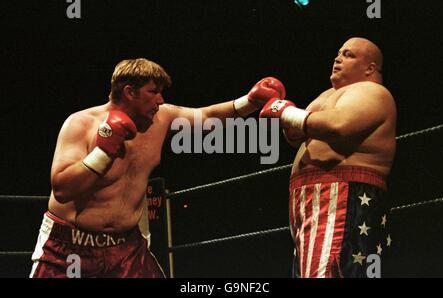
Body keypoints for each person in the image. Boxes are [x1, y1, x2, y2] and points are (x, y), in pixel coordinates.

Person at [29, 58, 285, 278]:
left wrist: (250, 102)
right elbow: (62, 189)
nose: (160, 100)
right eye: (154, 92)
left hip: (126, 249)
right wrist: (102, 152)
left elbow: (206, 117)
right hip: (70, 247)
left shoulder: (161, 118)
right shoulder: (80, 124)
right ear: (130, 92)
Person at [260, 37, 396, 278]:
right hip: (313, 198)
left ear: (370, 68)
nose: (338, 58)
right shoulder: (328, 95)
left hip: (340, 195)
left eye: (348, 54)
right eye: (338, 53)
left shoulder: (373, 92)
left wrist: (285, 111)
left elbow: (339, 126)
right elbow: (297, 135)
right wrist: (279, 111)